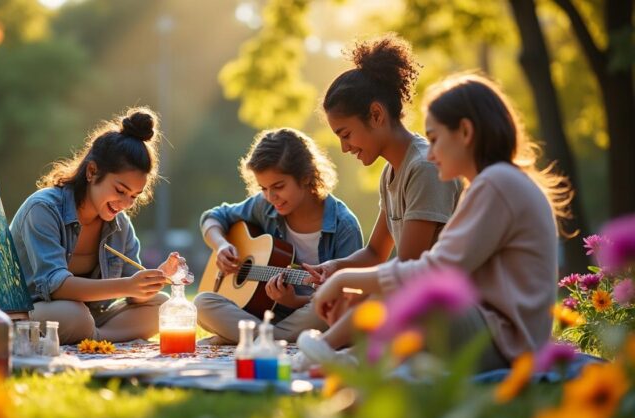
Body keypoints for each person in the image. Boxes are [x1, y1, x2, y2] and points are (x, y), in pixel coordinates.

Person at [312, 73, 572, 371]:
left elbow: (430, 271)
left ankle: (335, 354)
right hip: (498, 334)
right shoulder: (492, 184)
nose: (431, 154)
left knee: (418, 293)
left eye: (435, 139)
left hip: (507, 342)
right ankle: (346, 360)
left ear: (464, 132)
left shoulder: (496, 184)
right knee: (397, 295)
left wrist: (345, 279)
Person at [299, 34, 461, 354]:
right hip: (411, 297)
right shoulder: (391, 174)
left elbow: (406, 268)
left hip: (444, 308)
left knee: (359, 306)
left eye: (346, 135)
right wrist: (337, 269)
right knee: (347, 304)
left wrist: (350, 290)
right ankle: (335, 347)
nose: (344, 148)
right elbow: (375, 253)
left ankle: (325, 348)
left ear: (376, 114)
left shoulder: (424, 167)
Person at [10, 107, 181, 345]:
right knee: (74, 316)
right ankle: (96, 336)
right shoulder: (43, 209)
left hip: (90, 317)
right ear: (92, 171)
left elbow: (134, 294)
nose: (125, 203)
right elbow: (55, 286)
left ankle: (94, 337)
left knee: (162, 305)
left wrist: (154, 280)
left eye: (134, 196)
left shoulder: (120, 225)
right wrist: (127, 286)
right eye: (120, 190)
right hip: (31, 310)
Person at [194, 128, 363, 344]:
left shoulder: (344, 226)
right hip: (263, 312)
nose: (271, 196)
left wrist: (292, 300)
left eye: (279, 186)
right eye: (263, 188)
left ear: (306, 177)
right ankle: (272, 339)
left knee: (325, 305)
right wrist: (221, 245)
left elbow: (348, 295)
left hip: (310, 312)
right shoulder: (264, 206)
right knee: (201, 303)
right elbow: (212, 217)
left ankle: (249, 337)